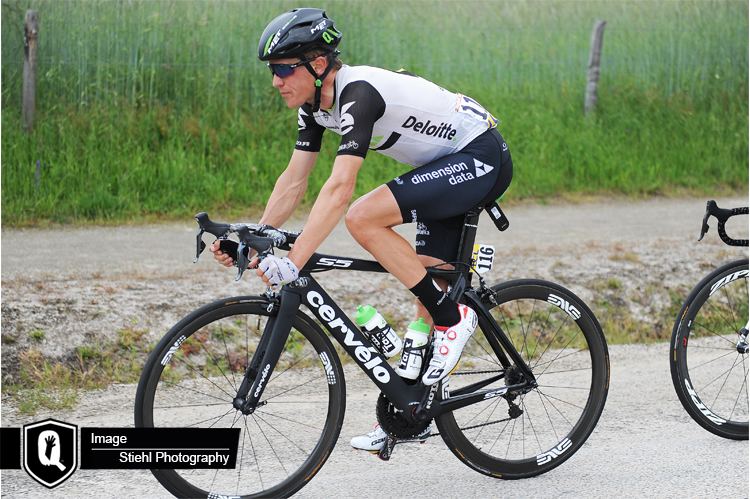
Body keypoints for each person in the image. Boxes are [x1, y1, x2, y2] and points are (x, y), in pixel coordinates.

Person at [210, 7, 513, 452]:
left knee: (362, 217)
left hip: (479, 155)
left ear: (317, 65)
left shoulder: (358, 94)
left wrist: (294, 262)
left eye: (281, 69)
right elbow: (294, 182)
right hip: (441, 166)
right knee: (426, 276)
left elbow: (339, 188)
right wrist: (257, 235)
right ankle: (409, 410)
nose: (275, 81)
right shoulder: (315, 107)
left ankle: (456, 319)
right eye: (272, 71)